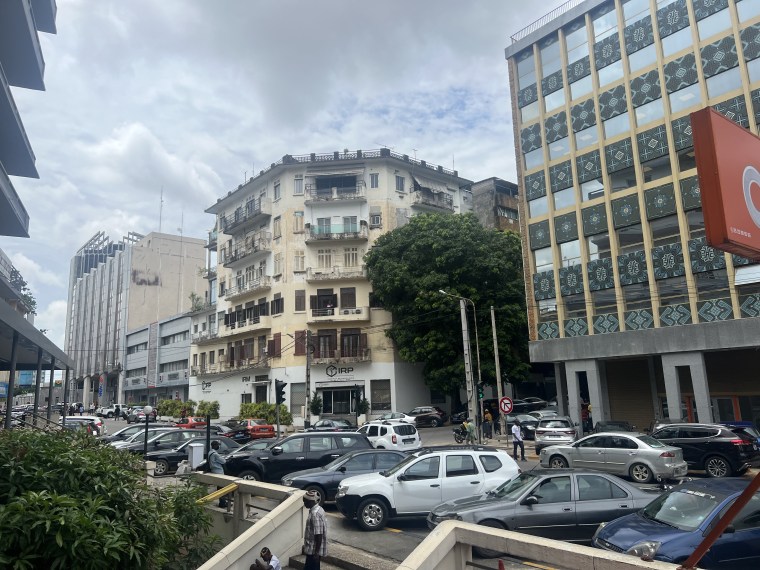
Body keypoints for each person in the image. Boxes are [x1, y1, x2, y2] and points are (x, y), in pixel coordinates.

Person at [302, 490, 327, 570]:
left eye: (305, 502)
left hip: (313, 550)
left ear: (311, 501)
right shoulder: (319, 509)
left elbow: (319, 534)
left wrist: (316, 553)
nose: (304, 504)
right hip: (312, 549)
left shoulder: (315, 514)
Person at [207, 440, 229, 508]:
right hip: (219, 472)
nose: (218, 446)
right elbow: (223, 461)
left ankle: (222, 502)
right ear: (214, 446)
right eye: (218, 445)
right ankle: (222, 503)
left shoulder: (210, 452)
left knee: (219, 488)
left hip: (214, 471)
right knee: (221, 488)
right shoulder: (215, 454)